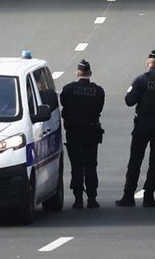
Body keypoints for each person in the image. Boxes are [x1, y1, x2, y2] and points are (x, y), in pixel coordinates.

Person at [117, 49, 155, 208]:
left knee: (135, 160)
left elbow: (129, 101)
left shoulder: (141, 80)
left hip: (143, 125)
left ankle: (128, 196)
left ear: (148, 63)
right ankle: (149, 196)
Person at [60, 59, 105, 208]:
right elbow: (99, 109)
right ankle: (92, 199)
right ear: (90, 73)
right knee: (91, 165)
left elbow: (64, 105)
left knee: (77, 166)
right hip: (91, 133)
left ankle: (78, 199)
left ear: (77, 73)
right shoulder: (98, 91)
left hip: (74, 133)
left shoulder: (68, 89)